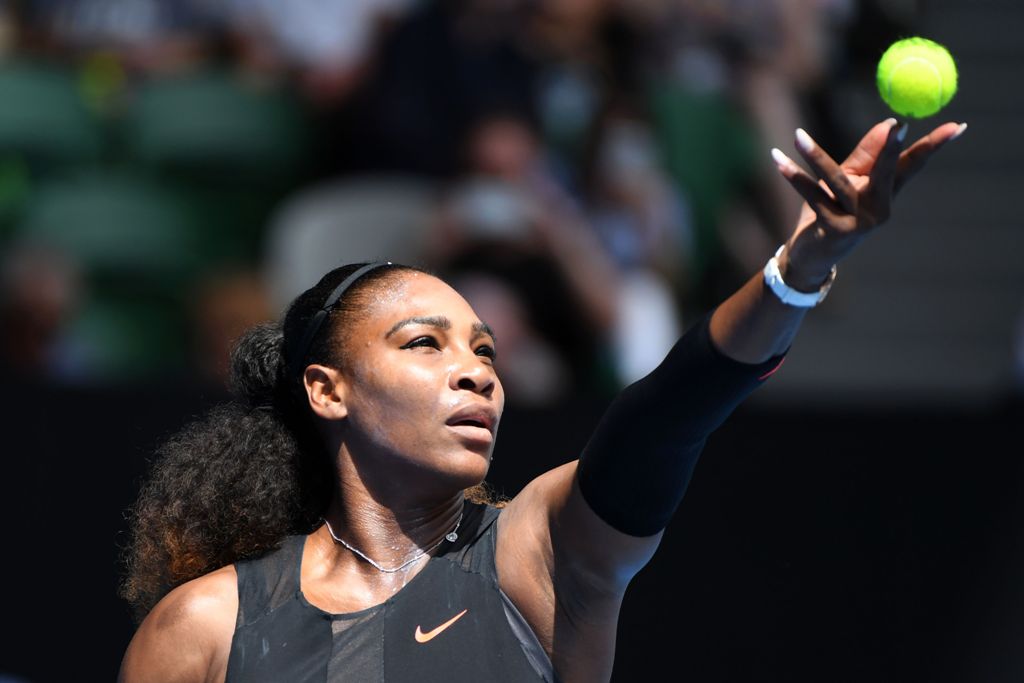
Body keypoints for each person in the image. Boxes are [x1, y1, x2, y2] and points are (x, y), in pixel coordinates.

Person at [117, 117, 965, 682]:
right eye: (426, 343)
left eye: (485, 350)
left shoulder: (543, 555)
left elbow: (666, 412)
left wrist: (801, 268)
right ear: (327, 390)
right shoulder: (202, 628)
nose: (479, 371)